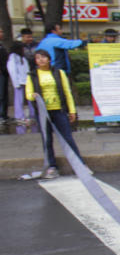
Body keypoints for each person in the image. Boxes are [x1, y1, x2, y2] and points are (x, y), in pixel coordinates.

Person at [25, 48, 85, 179]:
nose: (40, 60)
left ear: (49, 59)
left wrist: (72, 110)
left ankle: (80, 165)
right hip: (42, 112)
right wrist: (33, 95)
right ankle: (52, 166)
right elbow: (28, 93)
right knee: (47, 140)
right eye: (38, 58)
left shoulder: (59, 73)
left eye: (43, 57)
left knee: (67, 137)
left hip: (59, 109)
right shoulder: (32, 75)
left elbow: (67, 92)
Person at [7, 41, 32, 127]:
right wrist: (16, 83)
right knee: (19, 99)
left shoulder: (23, 58)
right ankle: (19, 116)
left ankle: (32, 115)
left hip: (26, 80)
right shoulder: (12, 57)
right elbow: (13, 71)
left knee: (30, 98)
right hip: (19, 81)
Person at [0, 28, 8, 122]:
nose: (2, 33)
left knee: (4, 94)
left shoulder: (2, 45)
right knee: (1, 94)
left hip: (4, 72)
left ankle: (4, 114)